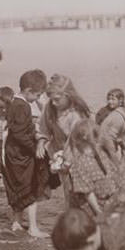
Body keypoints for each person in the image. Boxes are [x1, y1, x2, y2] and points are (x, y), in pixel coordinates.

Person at [3, 69, 50, 237]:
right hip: (21, 153)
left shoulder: (13, 103)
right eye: (37, 96)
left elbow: (17, 130)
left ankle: (16, 221)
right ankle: (33, 227)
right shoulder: (23, 106)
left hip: (12, 153)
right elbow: (21, 133)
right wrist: (36, 146)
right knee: (32, 187)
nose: (37, 99)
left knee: (17, 186)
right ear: (29, 91)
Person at [37, 74, 91, 205]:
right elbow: (43, 128)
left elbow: (76, 141)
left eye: (57, 99)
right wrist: (41, 141)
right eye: (51, 99)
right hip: (60, 156)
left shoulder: (76, 114)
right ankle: (72, 216)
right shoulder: (50, 108)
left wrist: (66, 160)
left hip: (79, 154)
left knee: (83, 191)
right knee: (68, 190)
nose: (53, 103)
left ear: (68, 96)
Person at [68, 119, 124, 216]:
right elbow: (87, 192)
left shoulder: (101, 154)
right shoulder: (79, 163)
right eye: (95, 137)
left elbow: (113, 175)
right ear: (85, 137)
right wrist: (98, 211)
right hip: (91, 208)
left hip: (110, 200)